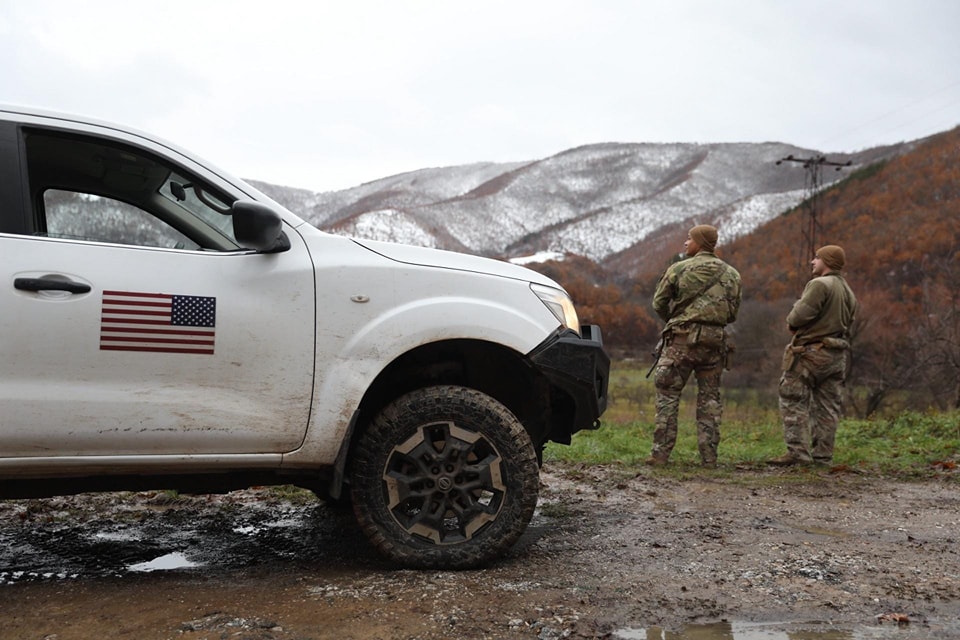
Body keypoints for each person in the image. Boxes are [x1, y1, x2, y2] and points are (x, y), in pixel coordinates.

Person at [647, 224, 742, 468]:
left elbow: (659, 303)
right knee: (710, 399)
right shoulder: (732, 274)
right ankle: (709, 458)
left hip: (681, 341)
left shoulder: (678, 269)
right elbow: (732, 313)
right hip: (714, 343)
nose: (685, 243)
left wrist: (676, 319)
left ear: (700, 242)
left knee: (668, 395)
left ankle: (660, 456)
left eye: (689, 238)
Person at [769, 245, 858, 466]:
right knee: (828, 407)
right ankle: (823, 456)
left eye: (817, 258)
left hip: (810, 353)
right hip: (837, 354)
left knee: (793, 399)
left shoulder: (819, 284)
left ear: (827, 260)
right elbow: (850, 320)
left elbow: (798, 317)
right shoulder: (847, 290)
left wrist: (793, 321)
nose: (812, 261)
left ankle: (798, 454)